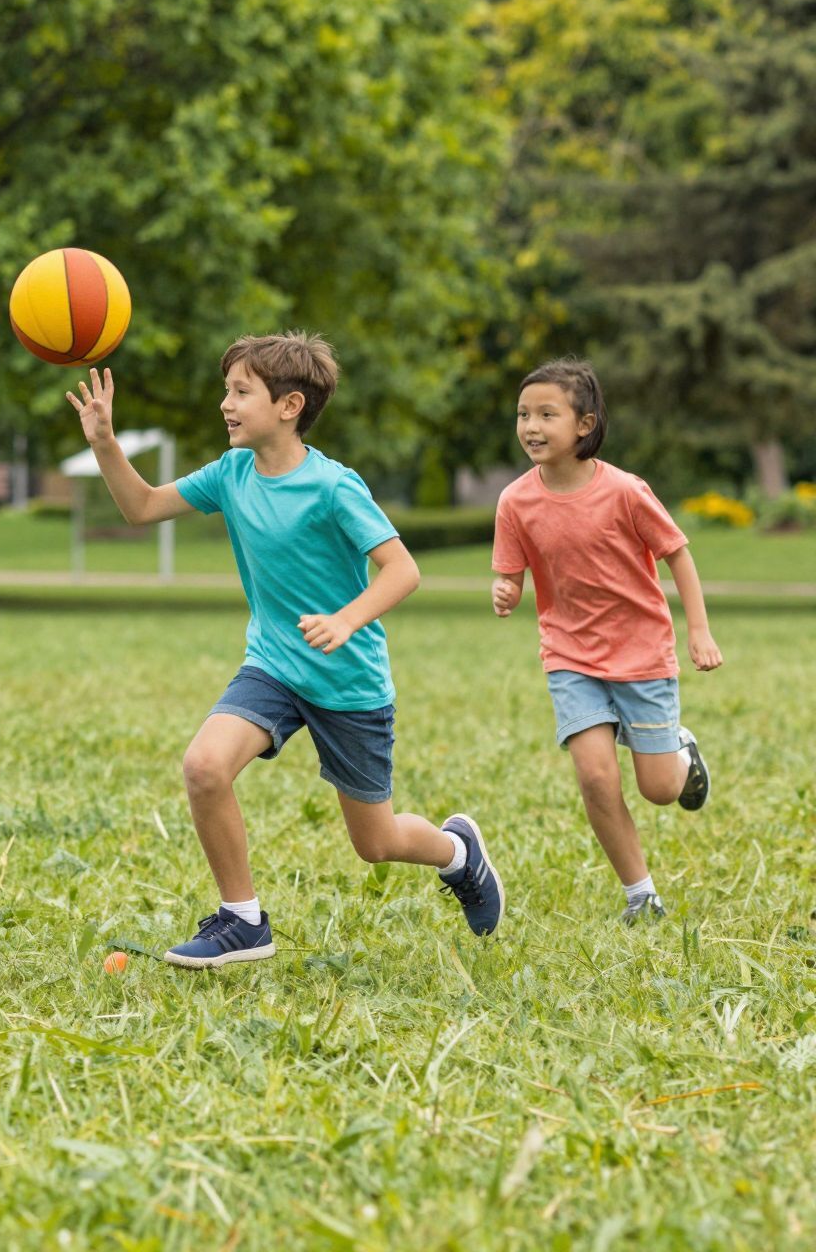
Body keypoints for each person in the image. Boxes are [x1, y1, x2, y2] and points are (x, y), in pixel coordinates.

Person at [69, 333, 504, 969]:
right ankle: (243, 920)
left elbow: (403, 570)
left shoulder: (333, 487)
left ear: (289, 405)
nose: (226, 404)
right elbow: (141, 507)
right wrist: (106, 442)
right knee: (204, 767)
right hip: (273, 666)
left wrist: (345, 620)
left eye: (241, 392)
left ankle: (459, 854)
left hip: (347, 681)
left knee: (376, 843)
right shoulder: (231, 473)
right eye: (227, 390)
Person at [493, 358, 721, 922]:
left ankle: (680, 750)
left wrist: (699, 631)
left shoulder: (625, 491)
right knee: (595, 776)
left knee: (659, 789)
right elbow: (512, 574)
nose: (531, 426)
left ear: (585, 424)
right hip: (570, 656)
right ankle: (641, 894)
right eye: (524, 414)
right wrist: (506, 591)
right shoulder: (515, 501)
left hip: (641, 653)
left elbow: (677, 554)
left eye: (547, 414)